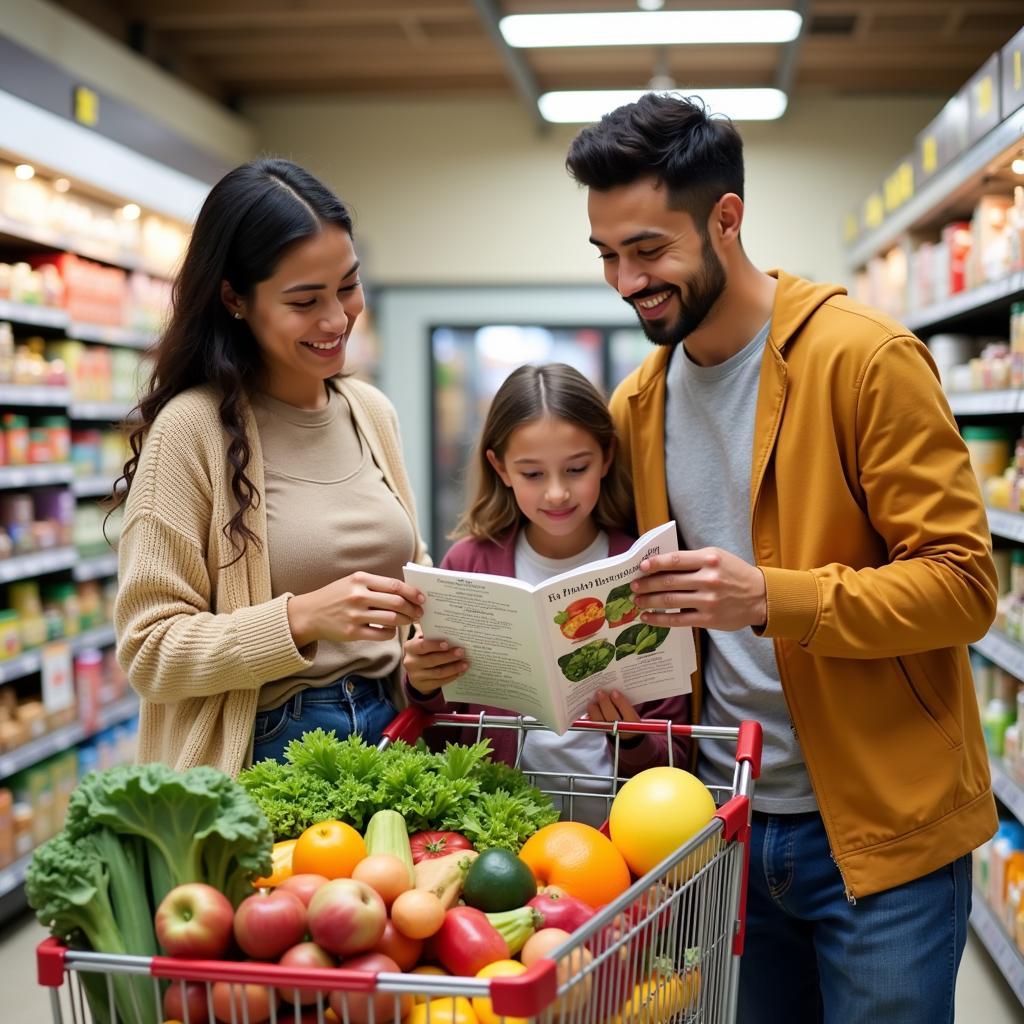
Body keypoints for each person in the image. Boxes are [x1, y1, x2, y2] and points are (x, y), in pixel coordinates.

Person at [564, 93, 998, 1023]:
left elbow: (964, 587)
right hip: (727, 823)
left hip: (882, 839)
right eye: (606, 254)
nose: (625, 280)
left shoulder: (865, 361)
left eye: (648, 250)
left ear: (728, 219)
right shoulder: (639, 404)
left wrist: (771, 596)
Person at [112, 158, 429, 777]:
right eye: (305, 300)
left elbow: (403, 581)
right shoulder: (191, 429)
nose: (336, 318)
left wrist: (429, 645)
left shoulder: (370, 412)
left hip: (389, 737)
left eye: (348, 286)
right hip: (260, 753)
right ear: (235, 298)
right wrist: (301, 617)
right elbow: (148, 650)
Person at [403, 363, 690, 825]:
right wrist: (422, 684)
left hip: (620, 834)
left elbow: (675, 753)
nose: (557, 493)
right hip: (497, 827)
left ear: (607, 456)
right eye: (533, 474)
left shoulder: (645, 565)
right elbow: (444, 737)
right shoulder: (467, 566)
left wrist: (631, 737)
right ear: (500, 468)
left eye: (577, 468)